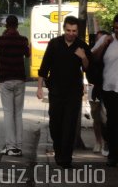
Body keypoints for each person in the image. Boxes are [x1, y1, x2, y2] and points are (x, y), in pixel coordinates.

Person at [37, 15, 91, 168]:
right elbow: (44, 67)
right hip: (56, 92)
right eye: (68, 30)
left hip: (73, 93)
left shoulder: (81, 45)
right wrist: (40, 88)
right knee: (55, 125)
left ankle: (65, 158)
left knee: (69, 125)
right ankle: (58, 150)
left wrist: (83, 57)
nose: (71, 33)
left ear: (77, 31)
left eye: (74, 31)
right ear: (64, 29)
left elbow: (88, 67)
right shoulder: (54, 44)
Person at [0, 14, 30, 157]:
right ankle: (18, 146)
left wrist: (2, 38)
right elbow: (28, 54)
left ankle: (10, 146)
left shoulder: (1, 40)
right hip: (19, 79)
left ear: (6, 25)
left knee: (8, 113)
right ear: (17, 25)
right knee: (18, 114)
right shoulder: (23, 40)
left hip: (6, 79)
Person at [92, 15, 118, 167]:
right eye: (115, 28)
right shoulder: (107, 40)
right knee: (113, 121)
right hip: (109, 88)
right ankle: (113, 155)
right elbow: (92, 58)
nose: (117, 31)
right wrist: (103, 45)